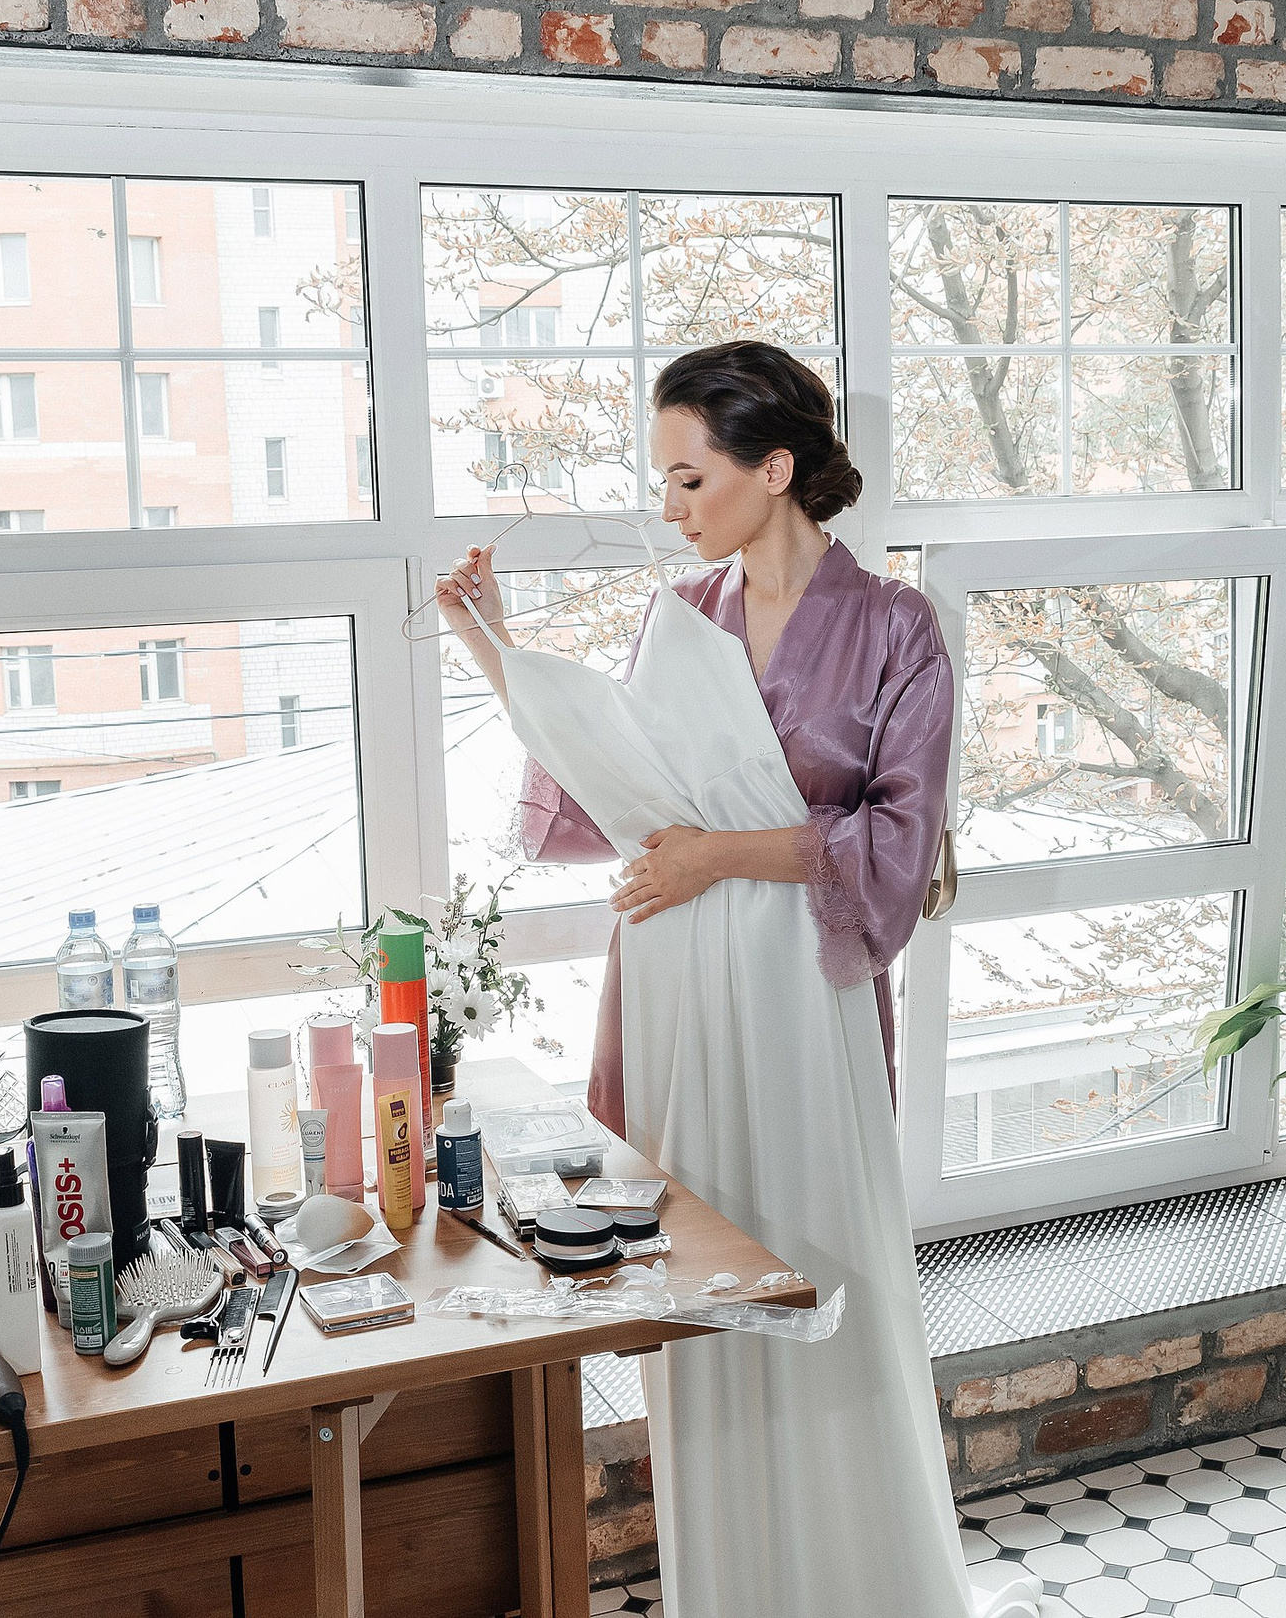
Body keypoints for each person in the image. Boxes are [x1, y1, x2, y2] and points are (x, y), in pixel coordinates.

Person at [436, 341, 1039, 1618]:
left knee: (814, 1264)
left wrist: (717, 854)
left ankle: (859, 1581)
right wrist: (497, 650)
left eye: (687, 475)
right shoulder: (686, 617)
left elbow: (898, 837)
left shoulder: (893, 626)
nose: (671, 504)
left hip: (797, 988)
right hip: (678, 990)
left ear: (776, 469)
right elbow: (616, 788)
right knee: (696, 1293)